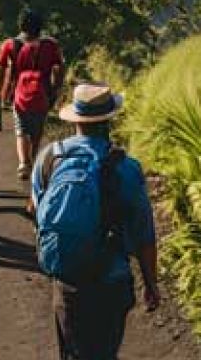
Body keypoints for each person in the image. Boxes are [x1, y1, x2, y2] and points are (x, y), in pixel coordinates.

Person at [31, 84, 160, 360]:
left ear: (75, 120)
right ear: (109, 120)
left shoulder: (49, 158)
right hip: (111, 278)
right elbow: (144, 234)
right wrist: (151, 284)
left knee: (72, 353)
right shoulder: (125, 167)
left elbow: (40, 213)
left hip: (68, 279)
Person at [0, 9, 64, 180]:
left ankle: (24, 162)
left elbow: (1, 70)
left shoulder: (10, 44)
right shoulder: (50, 44)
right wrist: (56, 89)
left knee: (21, 128)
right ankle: (33, 156)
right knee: (38, 127)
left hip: (19, 93)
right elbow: (60, 67)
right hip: (43, 92)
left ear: (21, 25)